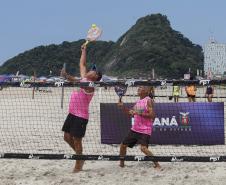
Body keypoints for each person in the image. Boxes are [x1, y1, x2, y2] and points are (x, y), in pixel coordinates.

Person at [61, 44, 102, 172]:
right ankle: (81, 157)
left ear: (96, 77)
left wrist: (67, 76)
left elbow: (78, 82)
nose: (91, 69)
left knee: (77, 141)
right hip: (72, 113)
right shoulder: (85, 77)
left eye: (94, 70)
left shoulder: (90, 85)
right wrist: (84, 51)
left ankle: (78, 164)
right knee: (67, 137)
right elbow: (82, 64)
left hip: (81, 116)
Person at [118, 86, 161, 170]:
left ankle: (157, 164)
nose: (138, 89)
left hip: (145, 130)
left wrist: (138, 112)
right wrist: (122, 107)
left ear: (146, 91)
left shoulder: (148, 100)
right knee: (123, 145)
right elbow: (130, 113)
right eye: (139, 88)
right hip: (135, 129)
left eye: (141, 88)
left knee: (143, 148)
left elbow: (152, 115)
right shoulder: (138, 102)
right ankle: (121, 164)